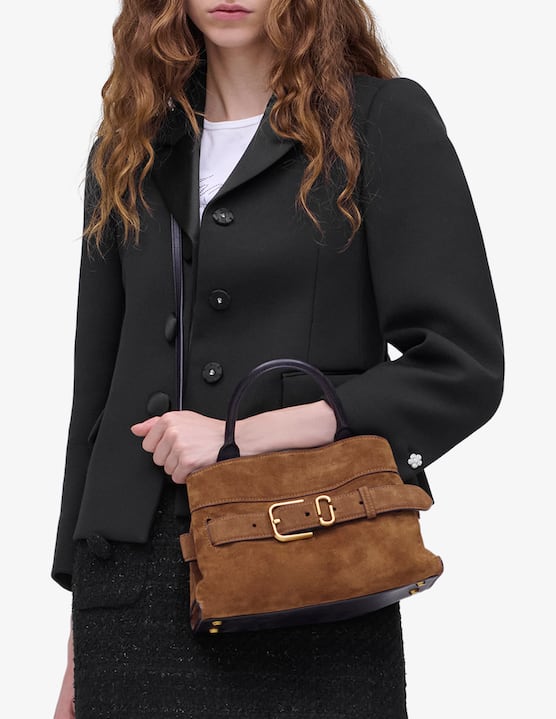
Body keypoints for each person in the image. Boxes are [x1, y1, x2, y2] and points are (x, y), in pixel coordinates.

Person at [52, 1, 504, 717]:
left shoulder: (379, 121)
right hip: (131, 599)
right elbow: (96, 397)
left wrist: (243, 436)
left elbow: (460, 367)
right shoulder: (128, 144)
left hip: (307, 569)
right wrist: (78, 651)